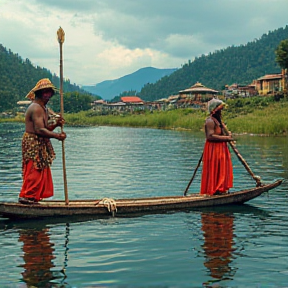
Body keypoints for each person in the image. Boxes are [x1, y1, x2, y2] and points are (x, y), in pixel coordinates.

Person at [18, 78, 66, 204]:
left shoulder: (43, 108)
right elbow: (39, 130)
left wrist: (56, 124)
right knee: (34, 169)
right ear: (39, 93)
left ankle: (32, 197)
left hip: (40, 141)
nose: (47, 95)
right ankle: (27, 196)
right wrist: (57, 136)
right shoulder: (36, 108)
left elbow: (45, 128)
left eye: (49, 92)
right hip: (33, 141)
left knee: (41, 169)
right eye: (45, 92)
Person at [200, 98, 233, 196]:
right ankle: (215, 190)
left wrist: (227, 135)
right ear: (214, 110)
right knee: (215, 167)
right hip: (213, 149)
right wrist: (227, 138)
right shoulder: (210, 121)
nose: (221, 112)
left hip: (221, 147)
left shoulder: (218, 121)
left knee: (222, 167)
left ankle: (221, 189)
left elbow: (223, 132)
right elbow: (210, 136)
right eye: (220, 110)